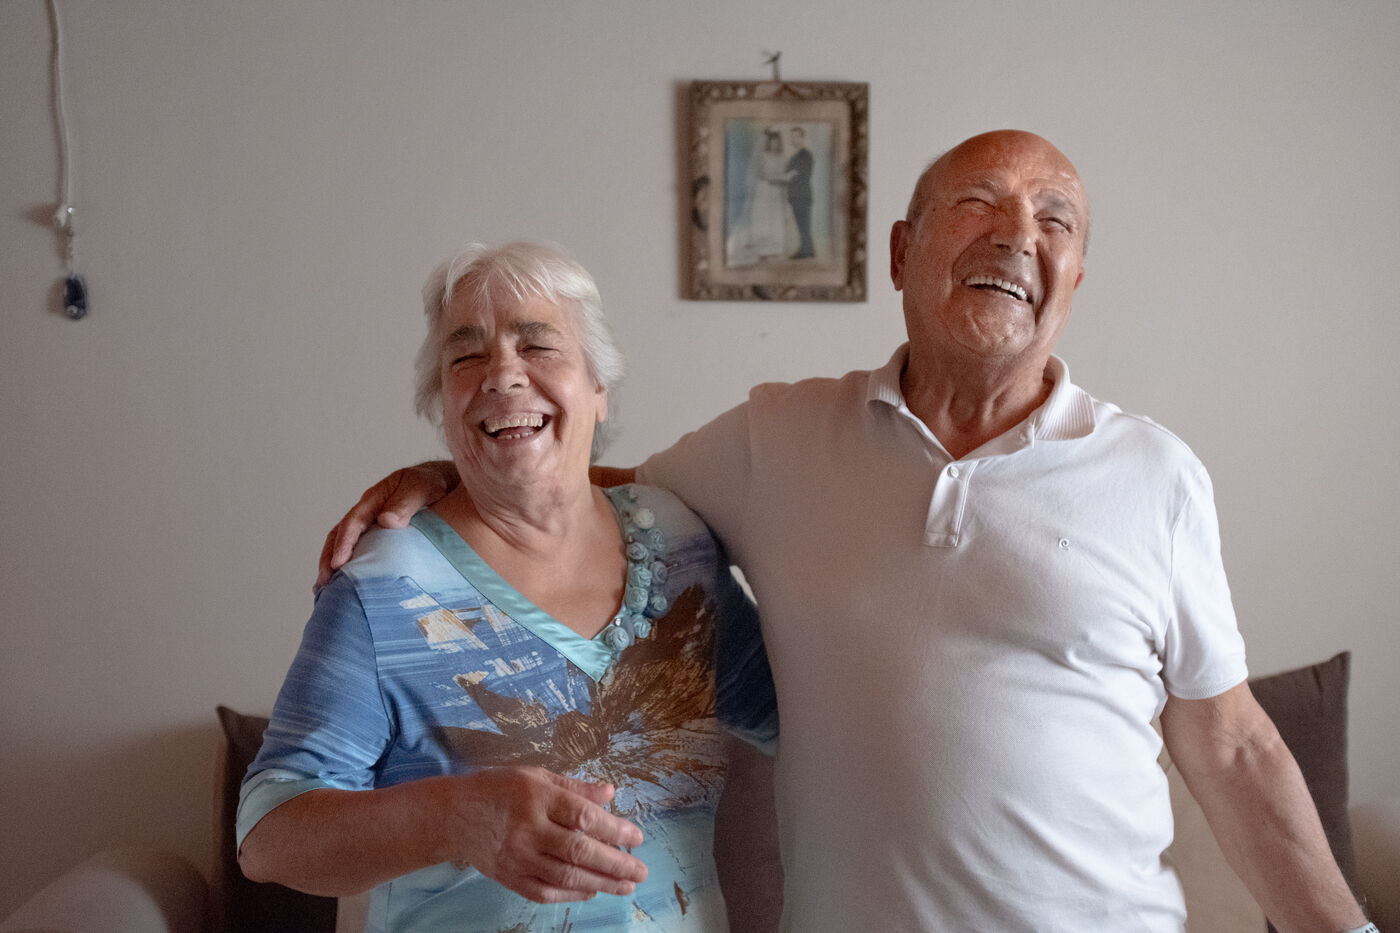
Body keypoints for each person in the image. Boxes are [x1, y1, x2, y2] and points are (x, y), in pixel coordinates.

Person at [318, 133, 1376, 933]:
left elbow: (1230, 742)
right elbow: (587, 482)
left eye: (1055, 219)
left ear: (1075, 281)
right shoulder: (777, 437)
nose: (1018, 233)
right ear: (902, 253)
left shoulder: (1154, 474)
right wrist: (449, 472)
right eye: (979, 202)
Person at [240, 242, 780, 933]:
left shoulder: (679, 544)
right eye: (465, 357)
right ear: (442, 404)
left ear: (598, 387)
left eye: (538, 345)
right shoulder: (385, 584)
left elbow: (800, 720)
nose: (501, 374)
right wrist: (458, 817)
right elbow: (268, 836)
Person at [725, 127, 791, 266]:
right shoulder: (763, 156)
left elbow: (783, 175)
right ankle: (762, 251)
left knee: (775, 217)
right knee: (763, 217)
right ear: (768, 142)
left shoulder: (781, 157)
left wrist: (784, 179)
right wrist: (782, 177)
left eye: (776, 142)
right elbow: (763, 174)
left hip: (776, 192)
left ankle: (774, 250)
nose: (774, 144)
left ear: (779, 143)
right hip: (764, 190)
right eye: (772, 141)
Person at [783, 126, 814, 259]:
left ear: (802, 138)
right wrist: (789, 174)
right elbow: (788, 172)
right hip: (795, 195)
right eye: (792, 137)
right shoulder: (794, 156)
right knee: (801, 225)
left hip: (802, 195)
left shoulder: (806, 155)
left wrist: (790, 175)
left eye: (796, 137)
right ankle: (807, 250)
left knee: (804, 225)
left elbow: (802, 174)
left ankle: (807, 252)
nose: (793, 139)